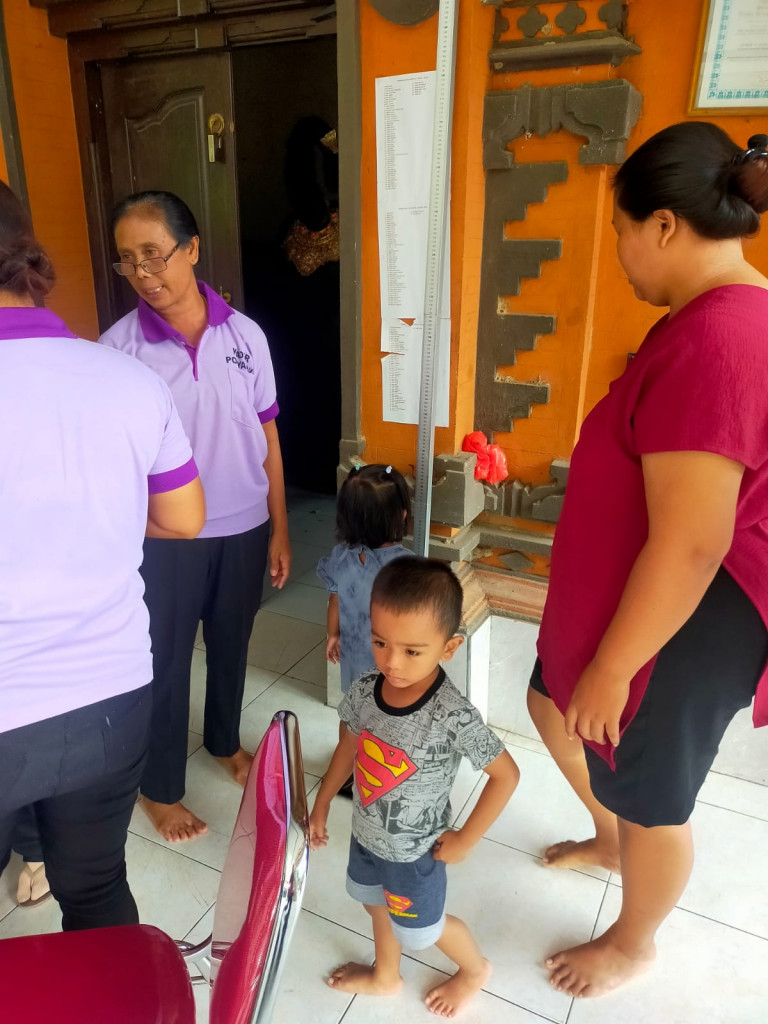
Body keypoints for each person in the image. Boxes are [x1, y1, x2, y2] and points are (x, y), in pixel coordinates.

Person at [527, 122, 768, 998]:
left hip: (691, 617)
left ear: (663, 225)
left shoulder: (721, 340)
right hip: (647, 593)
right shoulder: (704, 319)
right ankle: (608, 833)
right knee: (549, 703)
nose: (621, 253)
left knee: (652, 796)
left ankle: (634, 942)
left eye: (621, 231)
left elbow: (694, 542)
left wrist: (614, 667)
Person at [0, 180, 205, 930]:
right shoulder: (126, 378)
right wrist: (96, 521)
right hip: (110, 698)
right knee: (95, 888)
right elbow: (184, 518)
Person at [100, 191, 291, 843]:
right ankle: (159, 788)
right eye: (128, 260)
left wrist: (279, 527)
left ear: (191, 249)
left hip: (245, 528)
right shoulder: (117, 351)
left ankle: (223, 741)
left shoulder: (245, 336)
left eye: (154, 254)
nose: (142, 273)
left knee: (233, 645)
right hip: (167, 538)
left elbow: (268, 436)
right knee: (166, 661)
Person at [310, 557, 520, 1017]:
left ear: (449, 647)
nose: (391, 662)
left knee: (425, 929)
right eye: (380, 642)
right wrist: (322, 802)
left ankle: (474, 969)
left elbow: (506, 775)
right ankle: (386, 975)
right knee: (375, 906)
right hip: (366, 836)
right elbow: (348, 747)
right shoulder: (365, 690)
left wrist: (467, 838)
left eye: (412, 651)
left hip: (415, 853)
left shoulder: (453, 714)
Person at [317, 464, 413, 694]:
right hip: (393, 666)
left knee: (357, 705)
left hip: (355, 660)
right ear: (401, 515)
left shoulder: (341, 556)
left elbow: (335, 601)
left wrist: (333, 635)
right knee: (387, 707)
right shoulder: (407, 567)